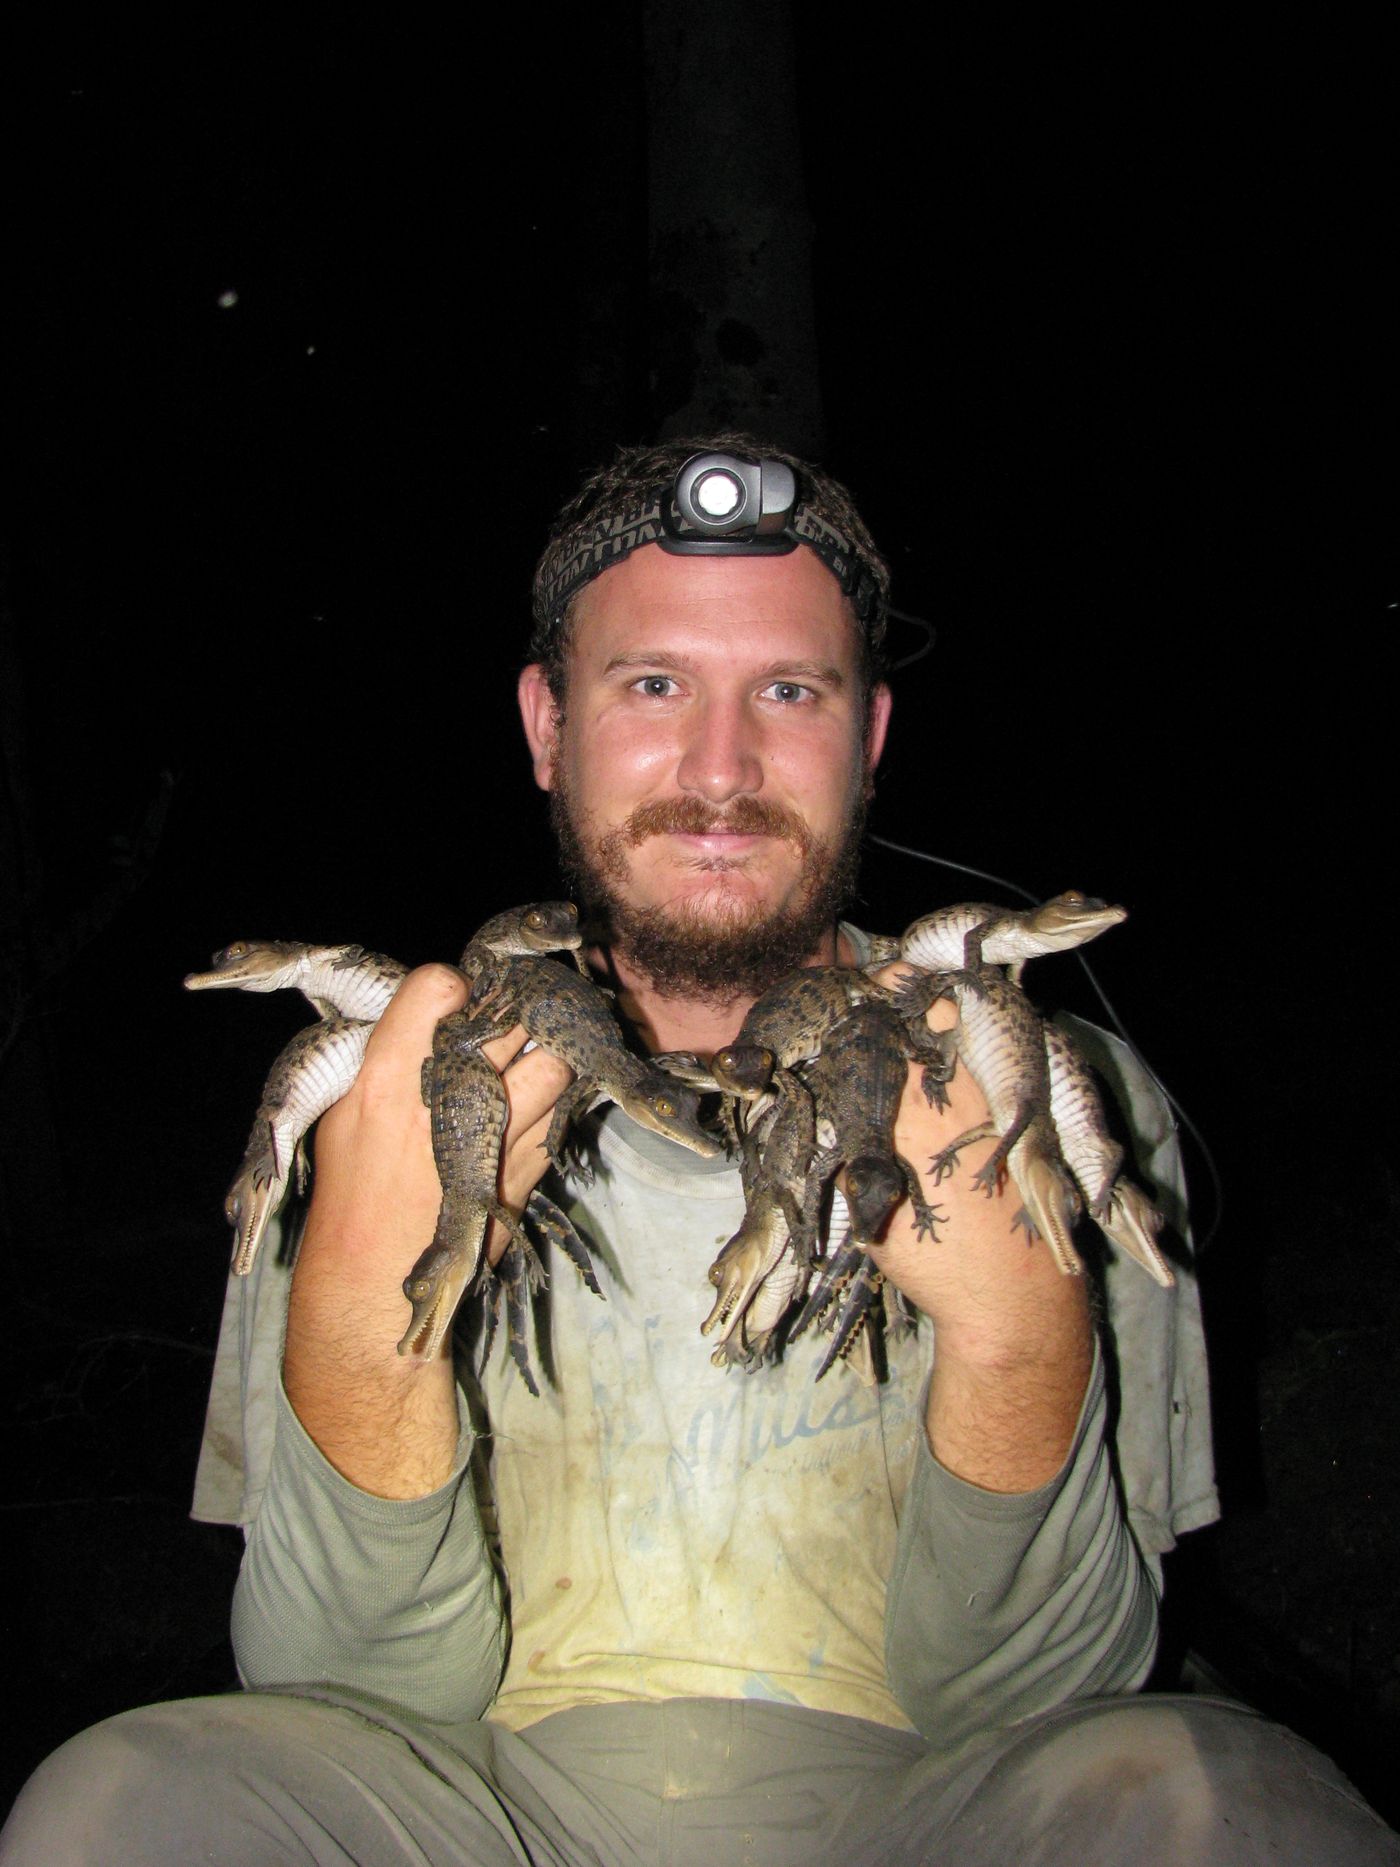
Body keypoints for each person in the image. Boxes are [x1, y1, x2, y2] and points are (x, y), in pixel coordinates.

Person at [4, 439, 1395, 1864]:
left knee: (1230, 1807)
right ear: (548, 724)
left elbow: (1042, 1704)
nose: (722, 769)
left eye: (789, 692)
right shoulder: (371, 1106)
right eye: (653, 684)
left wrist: (1021, 1342)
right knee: (116, 1809)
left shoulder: (1049, 1088)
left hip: (924, 1814)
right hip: (479, 1808)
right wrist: (366, 1325)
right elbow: (346, 1699)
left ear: (869, 737)